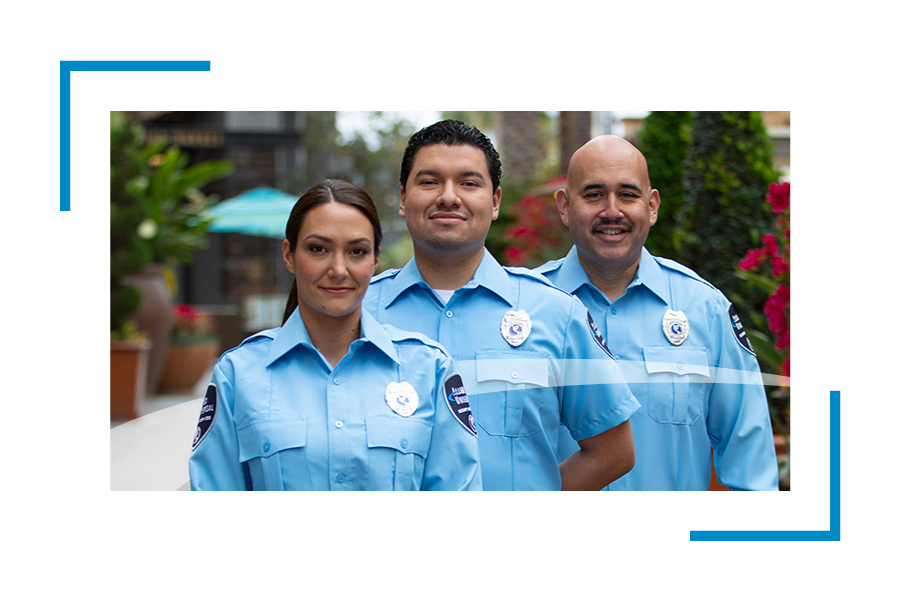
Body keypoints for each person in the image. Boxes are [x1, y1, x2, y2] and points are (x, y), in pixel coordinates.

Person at [364, 120, 639, 490]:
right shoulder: (360, 314)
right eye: (429, 182)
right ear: (402, 198)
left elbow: (613, 451)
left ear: (494, 202)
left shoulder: (556, 313)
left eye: (469, 183)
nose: (448, 196)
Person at [189, 179, 481, 490]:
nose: (339, 269)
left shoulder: (429, 368)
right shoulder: (238, 374)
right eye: (318, 249)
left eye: (357, 251)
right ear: (288, 254)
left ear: (375, 259)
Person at [537, 135, 779, 490]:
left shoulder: (705, 310)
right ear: (564, 206)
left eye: (628, 194)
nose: (612, 210)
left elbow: (751, 461)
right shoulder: (523, 309)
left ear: (652, 206)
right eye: (593, 194)